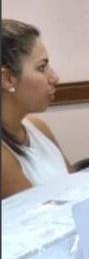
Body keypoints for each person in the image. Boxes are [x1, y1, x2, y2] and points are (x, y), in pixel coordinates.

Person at [1, 19, 72, 199]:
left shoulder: (38, 127)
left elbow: (78, 188)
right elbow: (38, 217)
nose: (54, 77)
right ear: (7, 79)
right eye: (42, 68)